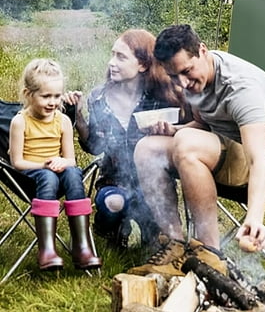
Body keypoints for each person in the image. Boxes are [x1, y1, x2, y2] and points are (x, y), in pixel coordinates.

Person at [130, 24, 265, 277]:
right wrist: (172, 131)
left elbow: (259, 158)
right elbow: (203, 125)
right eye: (174, 77)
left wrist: (254, 219)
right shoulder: (194, 80)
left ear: (203, 51)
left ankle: (210, 253)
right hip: (222, 148)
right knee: (147, 148)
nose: (183, 83)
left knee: (187, 144)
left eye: (186, 71)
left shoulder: (240, 87)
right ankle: (174, 246)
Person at [64, 29, 188, 248]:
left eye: (121, 57)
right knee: (113, 202)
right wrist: (78, 117)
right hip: (113, 182)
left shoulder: (162, 99)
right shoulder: (99, 97)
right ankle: (110, 229)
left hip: (153, 184)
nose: (112, 62)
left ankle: (152, 234)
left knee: (154, 244)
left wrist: (169, 131)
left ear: (143, 64)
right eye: (112, 54)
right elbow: (94, 146)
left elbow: (184, 134)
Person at [8, 58, 101, 272]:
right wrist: (45, 164)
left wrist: (61, 162)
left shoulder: (63, 121)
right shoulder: (20, 122)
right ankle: (47, 249)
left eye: (57, 96)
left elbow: (70, 160)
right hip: (30, 177)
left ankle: (82, 246)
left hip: (59, 173)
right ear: (28, 94)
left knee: (73, 173)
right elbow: (17, 162)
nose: (52, 102)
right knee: (49, 176)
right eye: (46, 96)